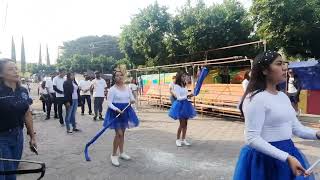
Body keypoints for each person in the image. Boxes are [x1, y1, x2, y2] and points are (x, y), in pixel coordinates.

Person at [233, 51, 319, 180]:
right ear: (264, 70)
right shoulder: (255, 99)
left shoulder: (283, 96)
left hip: (288, 152)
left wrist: (317, 134)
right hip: (264, 160)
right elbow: (252, 138)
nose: (285, 67)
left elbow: (297, 128)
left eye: (284, 63)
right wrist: (287, 157)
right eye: (279, 64)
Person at [0, 58, 37, 180]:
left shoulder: (23, 91)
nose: (16, 71)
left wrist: (32, 136)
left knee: (12, 172)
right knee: (7, 175)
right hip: (2, 138)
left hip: (18, 136)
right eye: (11, 69)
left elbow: (27, 114)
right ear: (1, 74)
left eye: (16, 68)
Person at [103, 69, 139, 167]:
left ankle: (122, 152)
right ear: (114, 78)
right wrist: (116, 109)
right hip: (116, 112)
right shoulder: (112, 89)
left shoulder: (127, 88)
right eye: (117, 76)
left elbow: (131, 98)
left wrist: (132, 101)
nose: (119, 77)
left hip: (126, 111)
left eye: (121, 75)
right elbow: (109, 102)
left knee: (122, 134)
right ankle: (114, 155)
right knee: (118, 134)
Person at [168, 71, 196, 147]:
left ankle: (183, 139)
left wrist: (191, 95)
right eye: (183, 76)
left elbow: (186, 94)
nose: (184, 78)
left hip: (186, 105)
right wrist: (187, 96)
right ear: (179, 77)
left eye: (185, 76)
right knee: (182, 124)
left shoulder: (184, 85)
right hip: (180, 105)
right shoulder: (176, 86)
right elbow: (178, 97)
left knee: (186, 124)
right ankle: (178, 140)